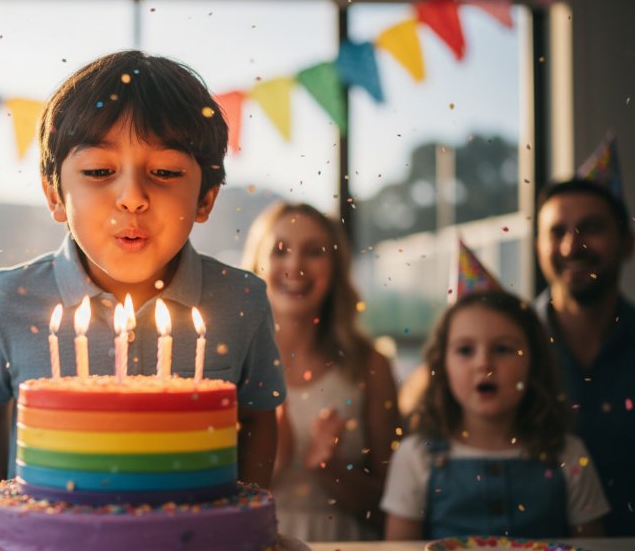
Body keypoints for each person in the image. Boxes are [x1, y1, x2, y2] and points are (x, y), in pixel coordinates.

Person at [0, 50, 286, 501]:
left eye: (166, 172)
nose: (132, 197)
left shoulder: (243, 299)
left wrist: (237, 523)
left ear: (206, 198)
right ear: (54, 194)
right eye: (98, 171)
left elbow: (257, 415)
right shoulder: (9, 299)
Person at [382, 290, 610, 540]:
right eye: (465, 350)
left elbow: (591, 545)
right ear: (442, 365)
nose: (484, 363)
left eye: (503, 349)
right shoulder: (416, 457)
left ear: (534, 363)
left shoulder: (568, 454)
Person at [242, 202, 399, 541]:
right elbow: (208, 500)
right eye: (280, 250)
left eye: (314, 252)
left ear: (336, 269)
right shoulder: (232, 366)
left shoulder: (371, 366)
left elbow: (395, 506)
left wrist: (333, 470)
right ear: (257, 264)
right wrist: (272, 460)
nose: (295, 266)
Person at [533, 178, 635, 535]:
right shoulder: (508, 348)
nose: (572, 246)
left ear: (628, 243)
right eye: (556, 231)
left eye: (591, 228)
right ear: (538, 247)